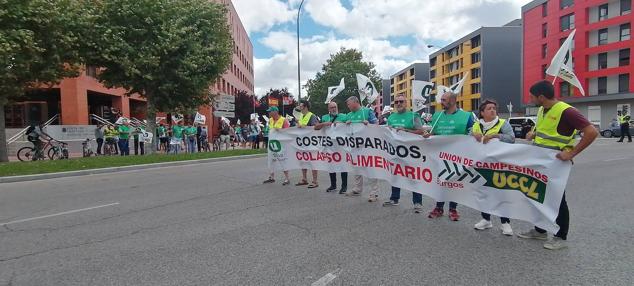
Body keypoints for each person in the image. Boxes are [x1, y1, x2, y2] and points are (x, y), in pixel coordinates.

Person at [517, 80, 597, 250]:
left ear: (541, 97)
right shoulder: (542, 109)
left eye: (532, 96)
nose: (530, 99)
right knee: (537, 195)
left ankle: (561, 236)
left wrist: (572, 153)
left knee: (558, 199)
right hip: (540, 161)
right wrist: (534, 133)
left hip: (556, 163)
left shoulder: (567, 111)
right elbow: (547, 130)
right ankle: (540, 231)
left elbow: (592, 132)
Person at [423, 91, 475, 221]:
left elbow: (472, 133)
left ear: (452, 101)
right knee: (440, 182)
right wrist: (428, 135)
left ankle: (453, 209)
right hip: (439, 156)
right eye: (441, 99)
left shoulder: (466, 116)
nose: (441, 102)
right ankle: (438, 207)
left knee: (454, 183)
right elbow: (433, 132)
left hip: (456, 156)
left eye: (444, 100)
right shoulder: (437, 115)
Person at [470, 99, 516, 236]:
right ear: (482, 112)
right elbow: (466, 139)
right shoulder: (476, 125)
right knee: (484, 193)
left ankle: (505, 223)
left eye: (494, 108)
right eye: (489, 108)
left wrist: (496, 136)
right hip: (482, 165)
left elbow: (511, 138)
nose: (492, 110)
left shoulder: (503, 123)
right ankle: (486, 219)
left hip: (500, 165)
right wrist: (473, 135)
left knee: (501, 193)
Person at [382, 95, 426, 212]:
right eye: (396, 102)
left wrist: (406, 131)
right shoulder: (391, 117)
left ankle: (417, 202)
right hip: (396, 152)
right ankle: (394, 198)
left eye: (401, 101)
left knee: (413, 177)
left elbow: (421, 131)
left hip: (411, 153)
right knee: (395, 174)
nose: (398, 103)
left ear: (406, 103)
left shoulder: (413, 116)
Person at [344, 96, 380, 202]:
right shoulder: (349, 115)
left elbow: (376, 125)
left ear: (356, 102)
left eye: (349, 104)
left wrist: (368, 124)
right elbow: (345, 129)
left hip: (368, 146)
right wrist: (346, 124)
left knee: (370, 169)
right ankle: (357, 189)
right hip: (355, 146)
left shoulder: (367, 111)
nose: (348, 106)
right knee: (356, 167)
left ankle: (374, 193)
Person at [315, 101, 348, 194]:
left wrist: (343, 123)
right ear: (328, 109)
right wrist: (324, 124)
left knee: (343, 166)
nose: (334, 109)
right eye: (331, 107)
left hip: (341, 146)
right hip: (330, 146)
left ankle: (344, 186)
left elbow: (351, 124)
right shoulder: (325, 117)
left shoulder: (343, 116)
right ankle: (333, 185)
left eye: (335, 107)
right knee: (331, 165)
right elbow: (316, 127)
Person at [263, 106, 291, 185]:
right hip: (272, 144)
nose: (269, 113)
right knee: (271, 160)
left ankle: (287, 178)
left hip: (281, 145)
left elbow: (288, 132)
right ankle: (271, 177)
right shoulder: (270, 120)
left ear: (275, 112)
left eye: (270, 111)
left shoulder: (284, 120)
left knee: (283, 160)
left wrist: (281, 130)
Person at [296, 100, 320, 188]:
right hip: (303, 143)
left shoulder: (312, 116)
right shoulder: (301, 116)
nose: (300, 108)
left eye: (301, 106)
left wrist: (305, 127)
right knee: (303, 161)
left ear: (305, 107)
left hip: (311, 143)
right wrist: (298, 123)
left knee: (313, 162)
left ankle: (315, 181)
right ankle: (304, 179)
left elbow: (316, 127)